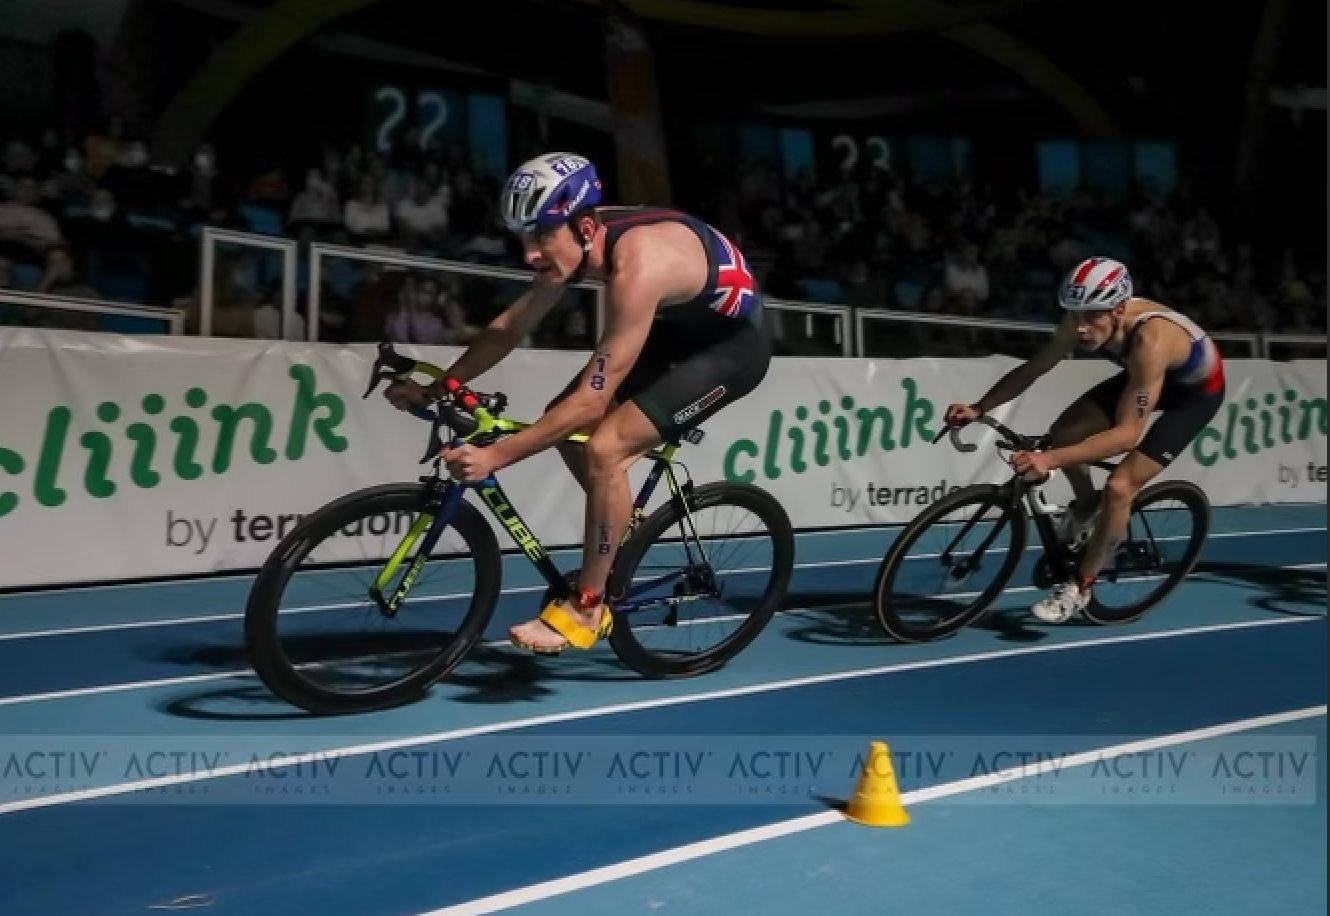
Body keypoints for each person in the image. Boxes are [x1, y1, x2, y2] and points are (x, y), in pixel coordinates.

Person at [384, 152, 772, 653]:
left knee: (604, 447)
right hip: (678, 327)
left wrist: (495, 456)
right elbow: (509, 328)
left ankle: (587, 606)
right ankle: (619, 534)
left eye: (540, 237)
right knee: (561, 421)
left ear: (585, 227)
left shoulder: (639, 265)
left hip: (730, 350)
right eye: (523, 238)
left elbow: (592, 405)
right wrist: (441, 386)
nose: (529, 254)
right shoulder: (575, 239)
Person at [944, 256, 1225, 624]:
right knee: (1064, 435)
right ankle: (1087, 507)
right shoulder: (1081, 319)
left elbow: (1126, 435)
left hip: (1193, 396)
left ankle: (1080, 586)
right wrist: (980, 407)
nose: (1081, 328)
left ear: (1119, 309)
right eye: (1074, 315)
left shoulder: (1150, 340)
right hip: (1145, 379)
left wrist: (1049, 460)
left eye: (1092, 316)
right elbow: (1035, 367)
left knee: (1120, 486)